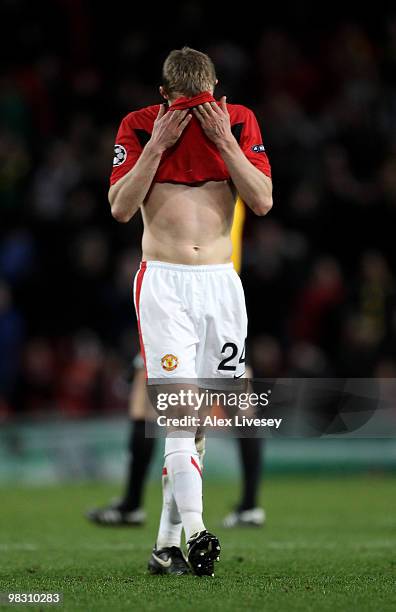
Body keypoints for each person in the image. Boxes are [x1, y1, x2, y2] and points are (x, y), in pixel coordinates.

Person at [108, 47, 272, 576]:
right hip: (165, 283)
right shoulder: (138, 127)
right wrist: (156, 147)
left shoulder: (239, 121)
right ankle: (199, 531)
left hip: (222, 286)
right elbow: (120, 207)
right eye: (186, 106)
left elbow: (263, 200)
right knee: (180, 414)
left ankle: (165, 545)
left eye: (204, 105)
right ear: (163, 99)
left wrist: (225, 141)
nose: (196, 115)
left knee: (196, 421)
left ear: (218, 93)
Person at [86, 198, 266, 529]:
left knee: (170, 407)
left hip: (202, 291)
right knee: (231, 404)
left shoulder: (217, 178)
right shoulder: (227, 181)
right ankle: (246, 505)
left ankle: (139, 507)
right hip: (206, 293)